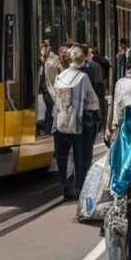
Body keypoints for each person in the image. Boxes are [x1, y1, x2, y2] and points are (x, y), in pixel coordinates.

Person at [51, 46, 100, 199]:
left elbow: (56, 98)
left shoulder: (60, 76)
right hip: (77, 122)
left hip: (60, 120)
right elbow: (93, 101)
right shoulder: (82, 78)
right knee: (79, 155)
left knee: (63, 156)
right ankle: (79, 187)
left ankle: (65, 186)